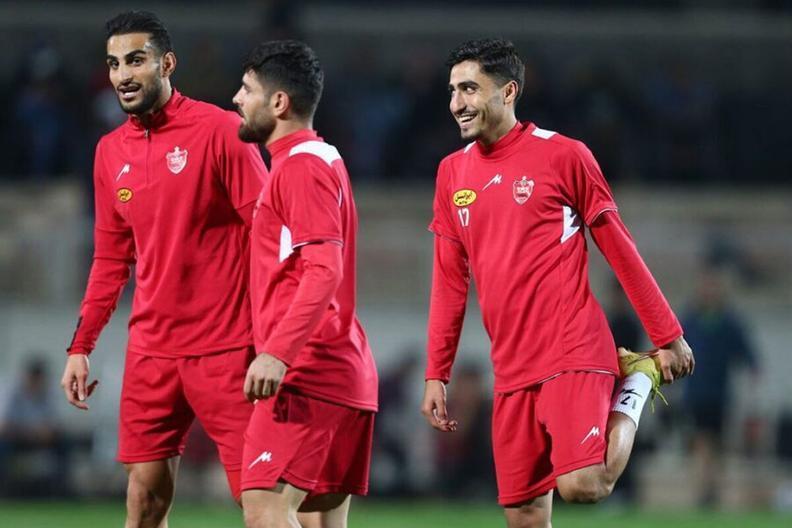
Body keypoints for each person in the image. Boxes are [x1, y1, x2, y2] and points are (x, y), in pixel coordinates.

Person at [420, 38, 695, 527]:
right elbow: (449, 282)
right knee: (525, 517)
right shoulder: (451, 174)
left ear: (508, 92)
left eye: (469, 89)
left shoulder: (564, 155)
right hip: (511, 367)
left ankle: (637, 380)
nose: (457, 103)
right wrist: (436, 373)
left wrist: (667, 335)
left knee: (583, 484)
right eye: (453, 91)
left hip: (572, 348)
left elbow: (620, 249)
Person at [59, 11, 267, 527]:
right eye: (113, 64)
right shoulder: (110, 152)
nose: (122, 75)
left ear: (167, 64)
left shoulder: (222, 130)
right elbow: (110, 259)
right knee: (144, 503)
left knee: (264, 504)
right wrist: (81, 346)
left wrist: (277, 338)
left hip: (226, 346)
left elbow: (269, 235)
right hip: (152, 350)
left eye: (135, 60)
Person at [232, 40, 378, 528]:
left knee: (264, 509)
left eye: (247, 89)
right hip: (340, 370)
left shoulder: (300, 167)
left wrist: (277, 353)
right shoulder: (322, 158)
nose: (236, 98)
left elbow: (324, 270)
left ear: (279, 102)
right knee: (319, 521)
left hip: (309, 372)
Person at [682, 262, 759, 506]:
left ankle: (712, 487)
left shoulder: (728, 321)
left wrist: (754, 370)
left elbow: (746, 351)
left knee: (717, 442)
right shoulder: (691, 319)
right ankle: (704, 488)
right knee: (701, 439)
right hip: (696, 391)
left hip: (720, 392)